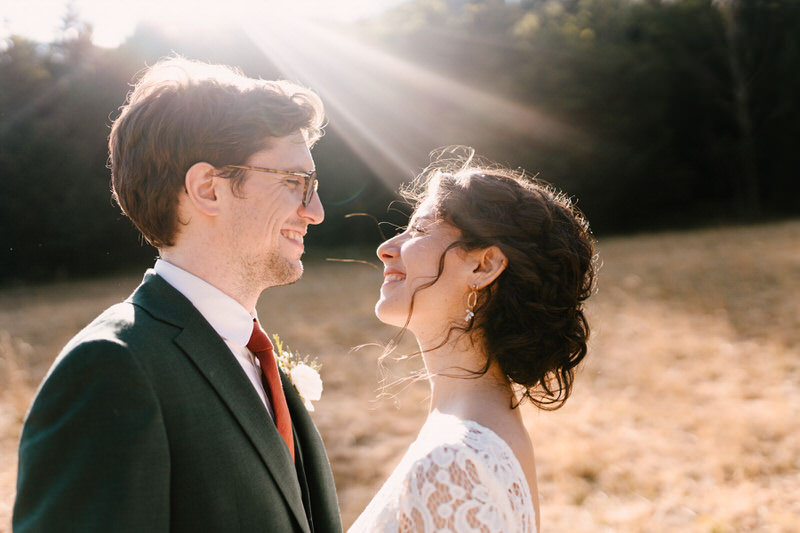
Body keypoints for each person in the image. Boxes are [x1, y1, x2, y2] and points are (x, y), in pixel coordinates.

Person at [13, 57, 342, 533]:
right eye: (295, 183)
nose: (316, 211)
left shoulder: (250, 354)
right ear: (209, 189)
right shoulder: (112, 369)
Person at [349, 152, 596, 532]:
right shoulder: (484, 431)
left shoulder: (452, 464)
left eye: (419, 230)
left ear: (483, 266)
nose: (387, 248)